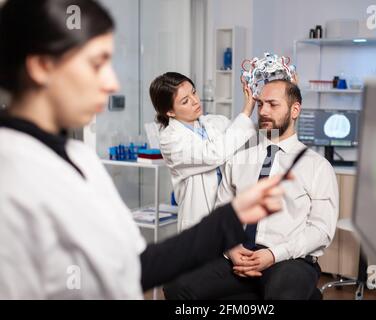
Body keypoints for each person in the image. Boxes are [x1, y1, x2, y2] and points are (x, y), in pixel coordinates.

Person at [0, 0, 287, 299]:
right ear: (42, 67)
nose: (111, 83)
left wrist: (230, 219)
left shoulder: (78, 157)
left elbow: (134, 264)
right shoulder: (11, 171)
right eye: (96, 64)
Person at [164, 79, 339, 300]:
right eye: (260, 104)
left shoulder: (317, 166)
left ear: (295, 110)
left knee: (283, 291)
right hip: (239, 255)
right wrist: (231, 248)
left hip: (288, 259)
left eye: (273, 105)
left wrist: (273, 254)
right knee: (177, 286)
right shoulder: (239, 157)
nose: (263, 111)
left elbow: (321, 230)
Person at [150, 72, 256, 231]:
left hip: (230, 216)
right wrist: (247, 110)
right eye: (185, 101)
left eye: (193, 92)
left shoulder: (215, 122)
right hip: (199, 223)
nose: (195, 101)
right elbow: (213, 154)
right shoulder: (170, 140)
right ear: (170, 112)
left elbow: (248, 141)